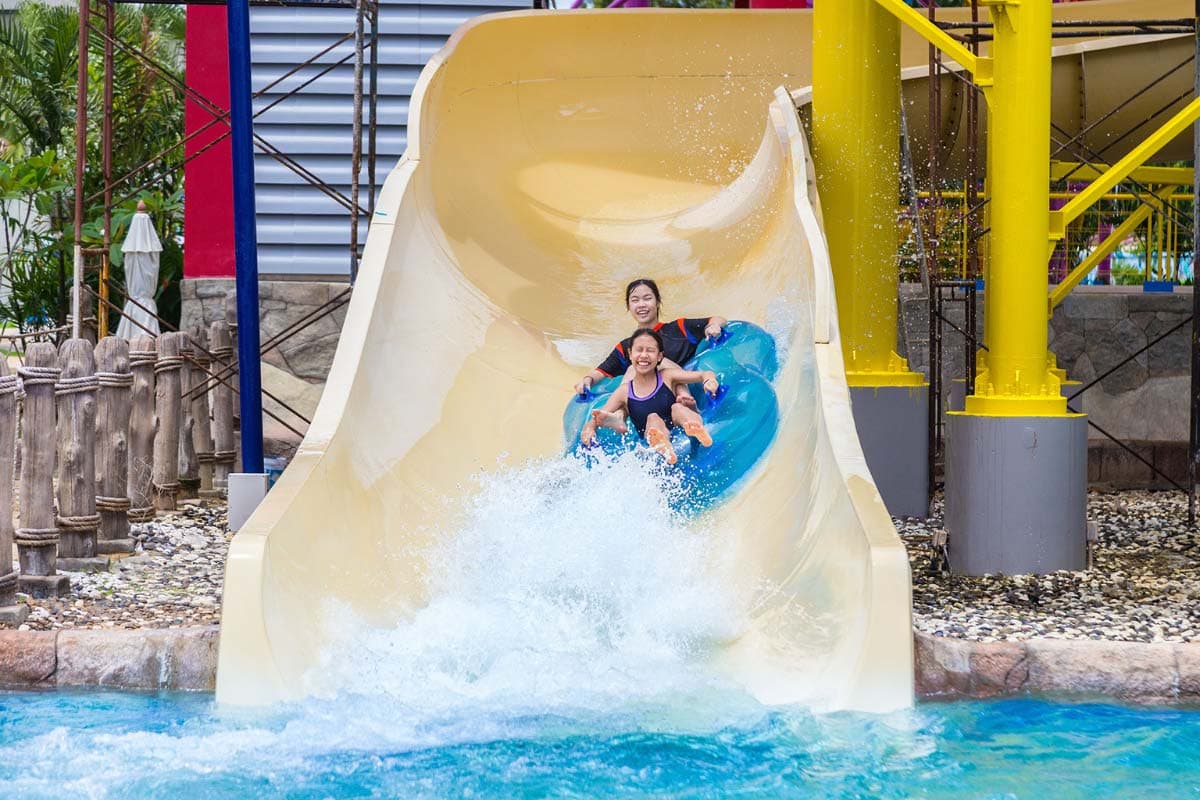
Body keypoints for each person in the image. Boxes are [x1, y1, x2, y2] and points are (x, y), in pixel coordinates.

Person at [574, 278, 728, 407]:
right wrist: (586, 380)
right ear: (629, 306)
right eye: (635, 300)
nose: (641, 305)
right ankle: (619, 415)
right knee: (633, 369)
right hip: (647, 405)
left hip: (681, 391)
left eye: (647, 298)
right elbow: (600, 372)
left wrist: (713, 326)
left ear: (657, 302)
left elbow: (717, 319)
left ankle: (688, 407)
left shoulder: (679, 328)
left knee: (651, 364)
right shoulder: (627, 346)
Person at [579, 327, 719, 465]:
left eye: (650, 351)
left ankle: (696, 429)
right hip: (652, 432)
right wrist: (589, 428)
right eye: (639, 350)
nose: (644, 355)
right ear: (630, 354)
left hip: (678, 425)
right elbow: (597, 417)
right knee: (653, 418)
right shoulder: (624, 391)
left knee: (678, 408)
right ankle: (663, 445)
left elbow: (704, 374)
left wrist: (709, 381)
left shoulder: (667, 376)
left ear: (659, 356)